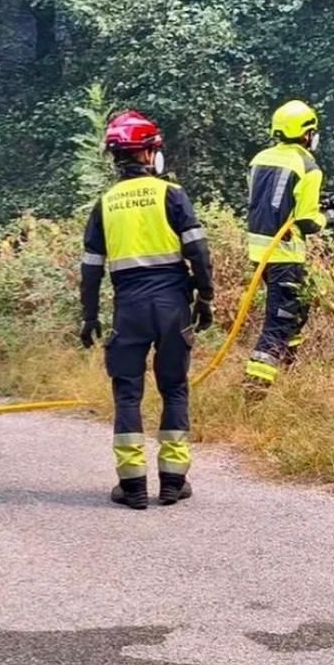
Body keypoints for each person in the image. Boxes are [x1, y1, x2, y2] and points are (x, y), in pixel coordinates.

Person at [79, 112, 215, 509]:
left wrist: (89, 316)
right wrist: (205, 297)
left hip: (129, 310)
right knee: (174, 389)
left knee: (127, 394)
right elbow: (199, 252)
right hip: (173, 306)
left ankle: (133, 486)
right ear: (148, 152)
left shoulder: (104, 205)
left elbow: (90, 270)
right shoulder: (171, 194)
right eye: (156, 148)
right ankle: (173, 482)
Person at [244, 100, 334, 391]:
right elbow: (307, 222)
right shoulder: (308, 167)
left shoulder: (260, 159)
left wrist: (319, 201)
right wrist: (328, 216)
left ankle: (289, 371)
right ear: (306, 133)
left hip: (259, 253)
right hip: (285, 255)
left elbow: (274, 201)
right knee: (280, 320)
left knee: (297, 311)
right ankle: (254, 391)